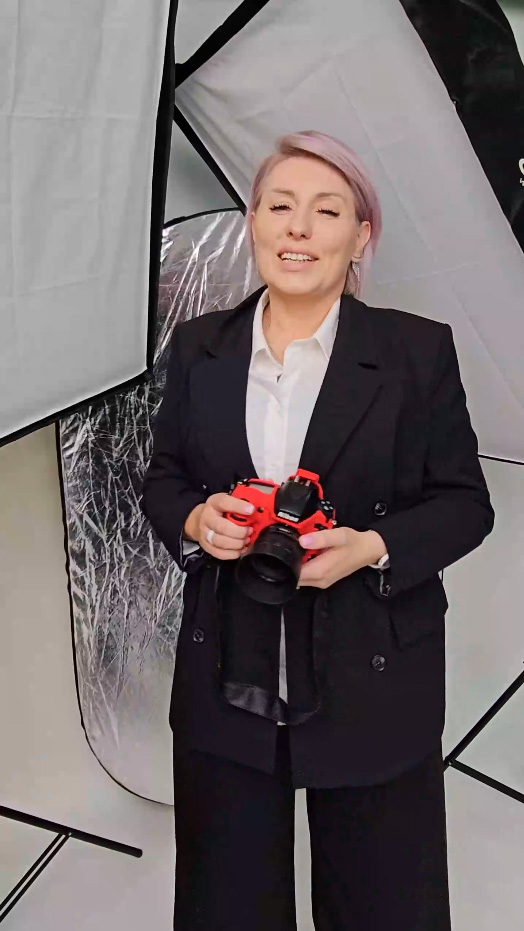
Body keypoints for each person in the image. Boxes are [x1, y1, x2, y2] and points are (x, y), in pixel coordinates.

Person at [140, 130, 495, 931]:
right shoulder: (201, 347)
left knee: (384, 907)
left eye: (326, 211)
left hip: (375, 674)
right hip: (228, 674)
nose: (298, 228)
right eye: (280, 206)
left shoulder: (415, 351)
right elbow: (165, 478)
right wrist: (197, 519)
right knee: (227, 905)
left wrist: (371, 548)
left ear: (361, 236)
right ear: (254, 222)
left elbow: (465, 503)